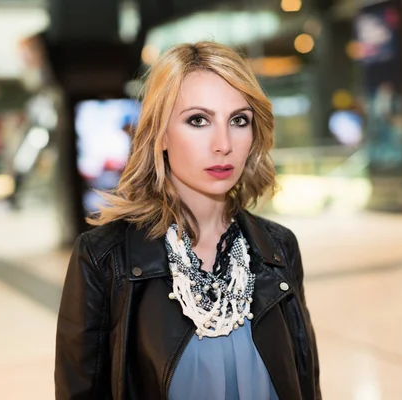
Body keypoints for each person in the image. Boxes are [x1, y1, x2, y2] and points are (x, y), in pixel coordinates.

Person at [55, 42, 321, 400]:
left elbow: (306, 382)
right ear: (160, 134)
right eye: (198, 120)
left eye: (238, 120)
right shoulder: (105, 259)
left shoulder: (278, 247)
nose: (223, 143)